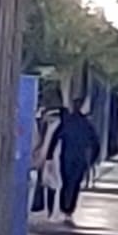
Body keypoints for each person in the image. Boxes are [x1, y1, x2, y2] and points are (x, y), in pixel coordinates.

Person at [45, 96, 101, 225]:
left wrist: (49, 157)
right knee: (75, 184)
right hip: (80, 159)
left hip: (66, 157)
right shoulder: (88, 125)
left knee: (66, 183)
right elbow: (96, 145)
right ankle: (69, 211)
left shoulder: (67, 122)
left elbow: (55, 139)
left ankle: (64, 208)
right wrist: (92, 160)